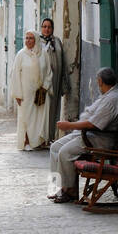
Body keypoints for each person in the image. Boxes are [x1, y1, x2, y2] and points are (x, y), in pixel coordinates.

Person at [47, 67, 118, 204]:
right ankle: (58, 187)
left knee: (64, 152)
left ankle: (69, 190)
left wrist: (69, 125)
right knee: (55, 147)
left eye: (97, 82)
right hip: (87, 134)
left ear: (100, 81)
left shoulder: (112, 99)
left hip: (98, 139)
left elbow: (93, 124)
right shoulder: (110, 93)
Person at [11, 30, 53, 150]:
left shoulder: (43, 54)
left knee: (40, 117)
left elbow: (49, 72)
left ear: (36, 40)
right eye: (27, 38)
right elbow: (15, 75)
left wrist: (45, 86)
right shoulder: (21, 55)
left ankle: (39, 141)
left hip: (40, 91)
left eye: (31, 38)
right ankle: (26, 141)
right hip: (26, 92)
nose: (28, 41)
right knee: (25, 117)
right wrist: (17, 94)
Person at [38, 17, 66, 146]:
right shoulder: (37, 42)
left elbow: (63, 62)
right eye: (44, 26)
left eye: (49, 27)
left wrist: (64, 83)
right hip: (41, 82)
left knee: (53, 109)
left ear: (52, 29)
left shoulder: (57, 42)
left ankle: (50, 137)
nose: (46, 29)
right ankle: (39, 138)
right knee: (41, 109)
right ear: (41, 28)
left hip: (55, 81)